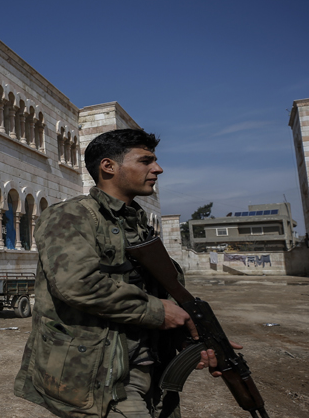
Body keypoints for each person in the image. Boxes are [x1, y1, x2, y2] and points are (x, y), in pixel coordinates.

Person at [14, 129, 234, 417]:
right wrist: (158, 311)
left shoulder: (138, 224)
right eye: (146, 161)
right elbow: (78, 284)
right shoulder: (71, 215)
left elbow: (158, 289)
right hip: (100, 375)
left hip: (152, 368)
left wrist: (190, 337)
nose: (158, 168)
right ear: (108, 166)